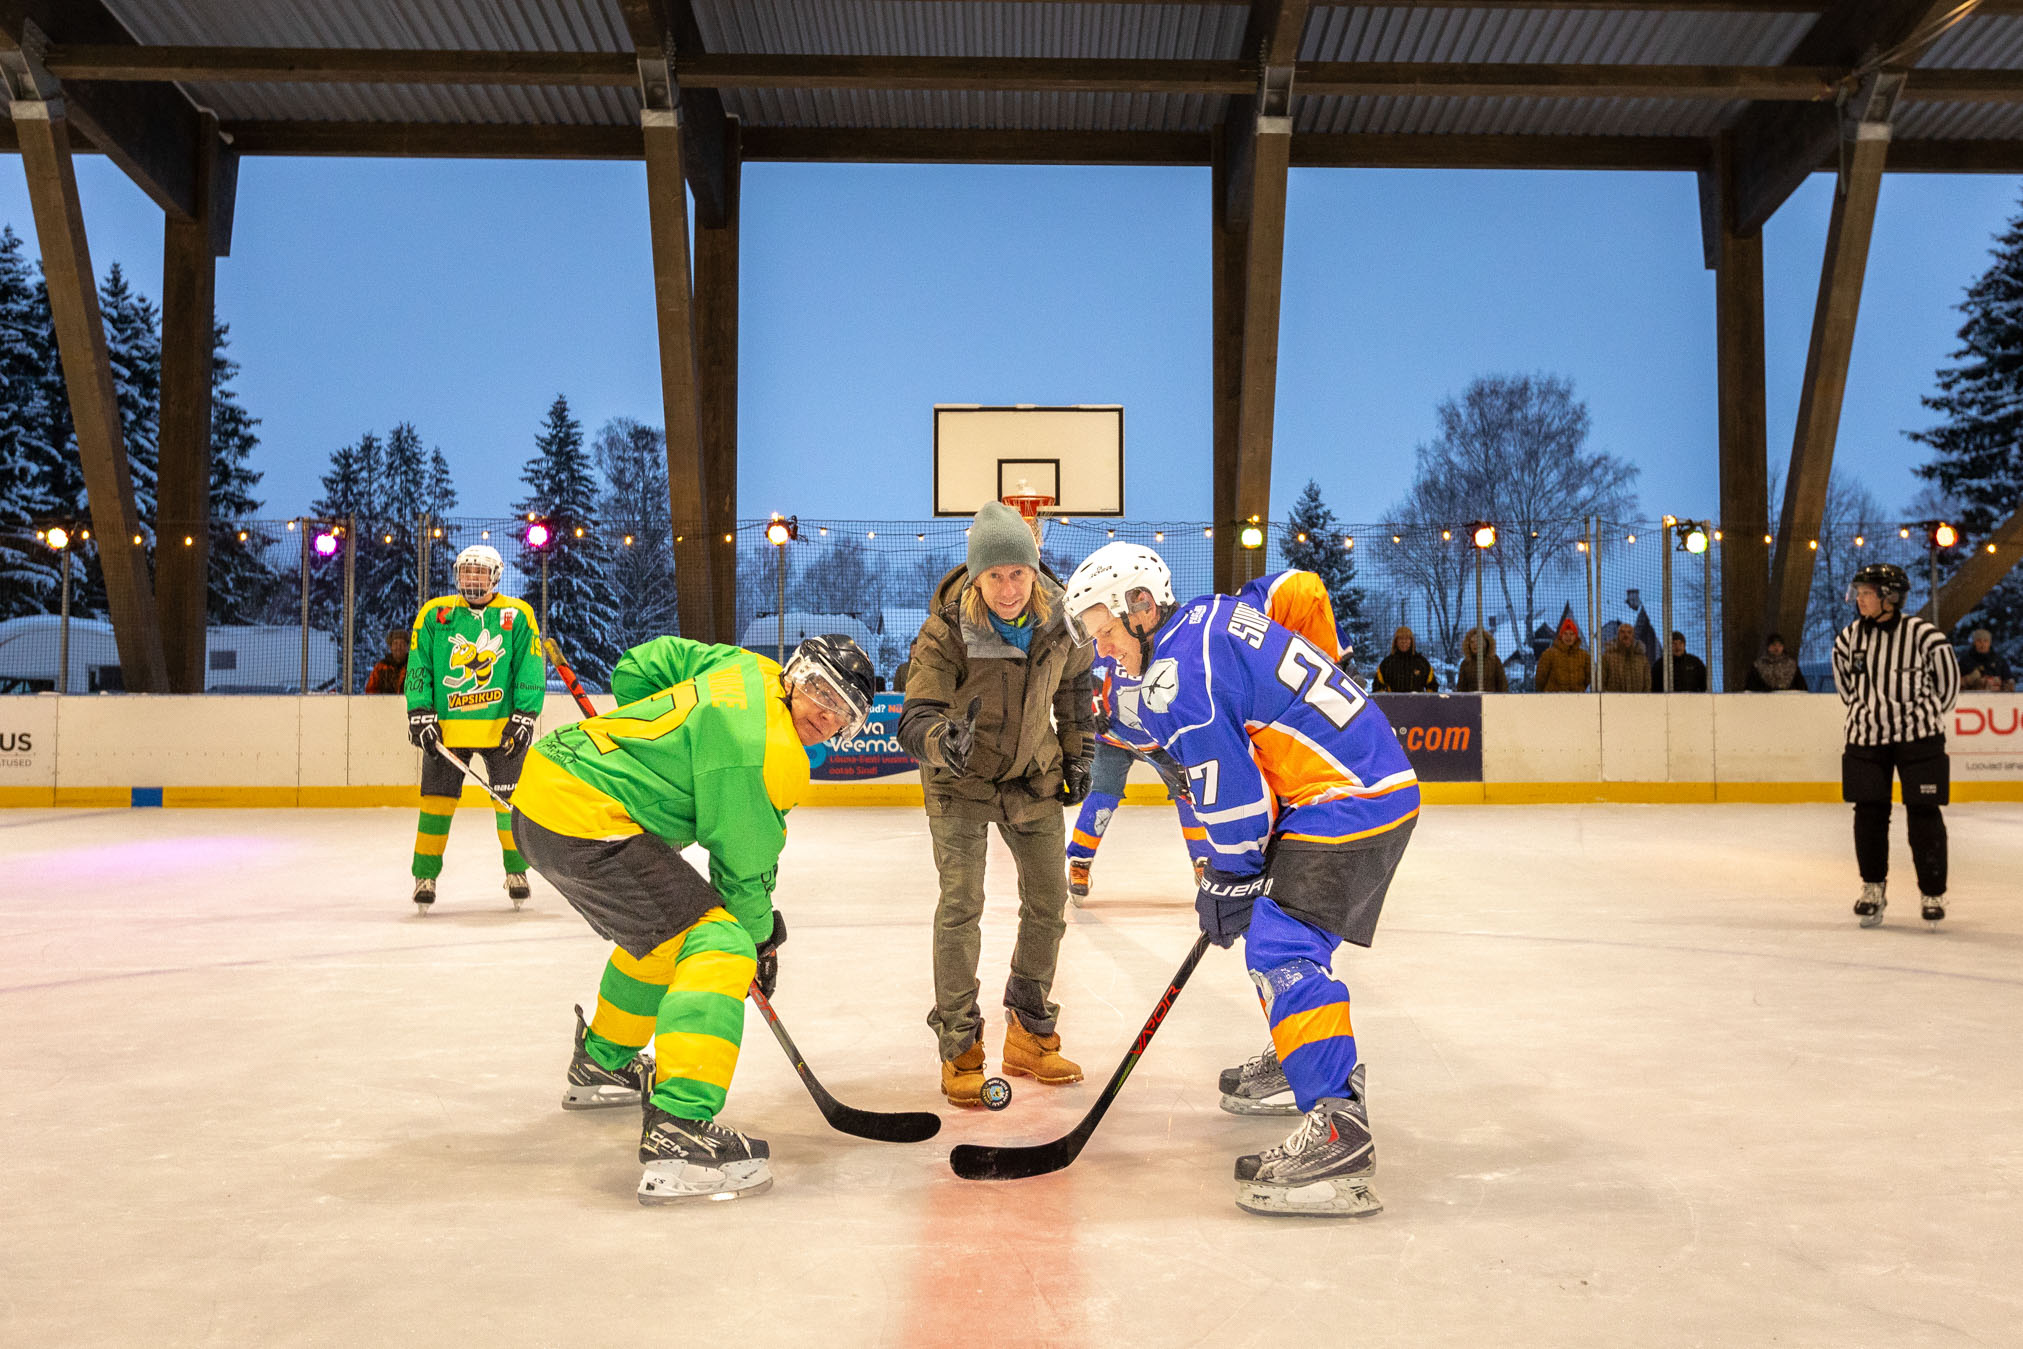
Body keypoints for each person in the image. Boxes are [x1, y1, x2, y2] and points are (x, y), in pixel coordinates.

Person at [1062, 542, 1418, 1218]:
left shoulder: (1172, 676)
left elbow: (1234, 798)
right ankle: (1298, 1052)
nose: (1104, 650)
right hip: (1360, 779)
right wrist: (1319, 673)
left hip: (1347, 797)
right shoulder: (1212, 614)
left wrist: (1228, 875)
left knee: (1280, 945)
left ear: (1142, 606)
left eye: (1106, 631)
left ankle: (1339, 1132)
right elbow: (1298, 586)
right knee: (1276, 927)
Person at [508, 632, 874, 1203]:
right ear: (798, 676)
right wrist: (759, 944)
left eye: (841, 713)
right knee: (721, 945)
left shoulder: (745, 665)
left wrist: (662, 754)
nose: (824, 715)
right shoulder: (771, 752)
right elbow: (743, 869)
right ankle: (680, 1134)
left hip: (545, 795)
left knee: (666, 941)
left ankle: (603, 1065)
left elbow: (639, 666)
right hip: (587, 818)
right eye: (820, 692)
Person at [897, 502, 1095, 1107]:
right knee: (962, 906)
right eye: (994, 576)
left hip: (1032, 776)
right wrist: (939, 741)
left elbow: (1075, 684)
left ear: (1034, 571)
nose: (1008, 588)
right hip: (960, 782)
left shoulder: (1062, 620)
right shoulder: (946, 631)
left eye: (1018, 573)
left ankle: (1029, 1033)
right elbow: (916, 716)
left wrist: (1077, 750)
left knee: (1048, 901)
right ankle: (959, 1046)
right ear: (976, 577)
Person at [1068, 570, 1341, 901]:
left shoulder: (1168, 647)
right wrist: (1092, 705)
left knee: (1192, 793)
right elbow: (1078, 666)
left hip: (1162, 737)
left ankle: (1203, 859)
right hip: (1114, 735)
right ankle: (1079, 859)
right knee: (1103, 795)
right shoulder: (1116, 639)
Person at [404, 544, 543, 913]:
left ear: (496, 576)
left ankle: (517, 872)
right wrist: (419, 711)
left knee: (510, 807)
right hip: (448, 734)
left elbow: (528, 667)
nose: (472, 579)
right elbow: (418, 665)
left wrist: (525, 716)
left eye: (480, 572)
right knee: (434, 805)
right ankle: (425, 876)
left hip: (501, 734)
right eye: (466, 572)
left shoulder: (518, 614)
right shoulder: (436, 614)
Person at [1833, 563, 1960, 929]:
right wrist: (1870, 713)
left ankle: (1932, 892)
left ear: (1889, 597)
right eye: (1858, 593)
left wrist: (1920, 717)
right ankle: (1873, 888)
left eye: (1867, 593)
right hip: (1866, 739)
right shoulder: (1848, 639)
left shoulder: (1925, 636)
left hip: (1919, 739)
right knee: (1869, 813)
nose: (1859, 600)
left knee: (1924, 812)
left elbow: (1947, 690)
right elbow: (1847, 690)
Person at [1372, 626, 1437, 693]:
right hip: (1393, 702)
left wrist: (1426, 702)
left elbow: (1432, 686)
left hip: (1417, 702)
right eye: (1400, 638)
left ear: (1411, 641)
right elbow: (1377, 686)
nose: (1404, 641)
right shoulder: (1387, 663)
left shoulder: (1422, 663)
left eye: (1407, 638)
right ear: (1395, 642)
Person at [1535, 617, 1591, 692]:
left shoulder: (1584, 656)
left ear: (1576, 636)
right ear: (1561, 636)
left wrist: (1579, 689)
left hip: (1577, 698)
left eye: (1572, 634)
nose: (1568, 637)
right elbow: (1540, 679)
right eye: (1565, 633)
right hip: (1553, 699)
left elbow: (1589, 677)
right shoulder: (1549, 654)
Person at [1600, 621, 1650, 693]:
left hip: (1637, 701)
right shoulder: (1607, 657)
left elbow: (1647, 685)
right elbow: (1600, 682)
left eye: (1629, 632)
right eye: (1622, 632)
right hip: (1613, 701)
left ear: (1633, 636)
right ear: (1618, 635)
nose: (1626, 635)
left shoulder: (1642, 660)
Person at [1453, 627, 1507, 692]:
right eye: (1472, 642)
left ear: (1486, 642)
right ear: (1468, 645)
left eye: (1478, 641)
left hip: (1492, 699)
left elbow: (1503, 684)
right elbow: (1461, 688)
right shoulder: (1465, 663)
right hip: (1472, 700)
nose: (1475, 644)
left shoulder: (1494, 660)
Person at [364, 627, 409, 694]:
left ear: (407, 647)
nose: (398, 647)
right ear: (390, 647)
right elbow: (370, 691)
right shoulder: (380, 668)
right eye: (395, 643)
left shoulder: (413, 666)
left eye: (402, 643)